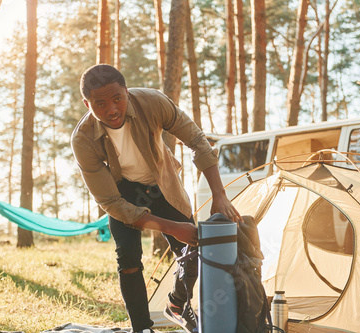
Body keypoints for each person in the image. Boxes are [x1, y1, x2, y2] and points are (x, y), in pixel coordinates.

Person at [71, 64, 241, 333]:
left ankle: (176, 304)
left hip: (162, 182)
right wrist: (172, 228)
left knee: (194, 251)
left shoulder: (153, 102)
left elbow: (196, 140)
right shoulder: (82, 140)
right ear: (87, 103)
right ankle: (142, 328)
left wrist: (219, 195)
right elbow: (110, 202)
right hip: (122, 194)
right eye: (100, 104)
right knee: (128, 258)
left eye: (117, 99)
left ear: (126, 92)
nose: (112, 109)